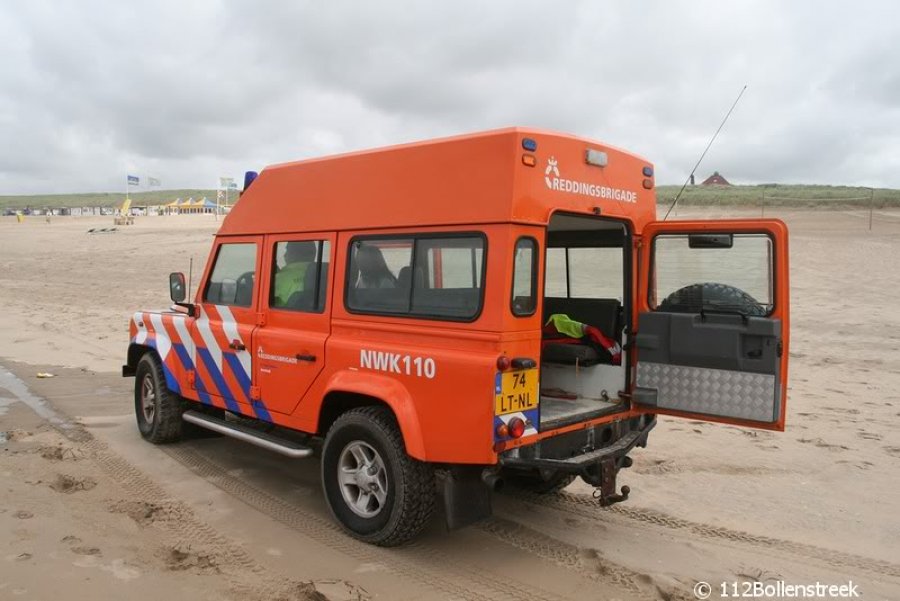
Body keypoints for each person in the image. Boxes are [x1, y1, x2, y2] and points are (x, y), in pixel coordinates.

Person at [273, 241, 317, 306]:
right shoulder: (324, 275)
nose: (284, 255)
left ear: (294, 253)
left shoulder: (280, 278)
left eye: (287, 251)